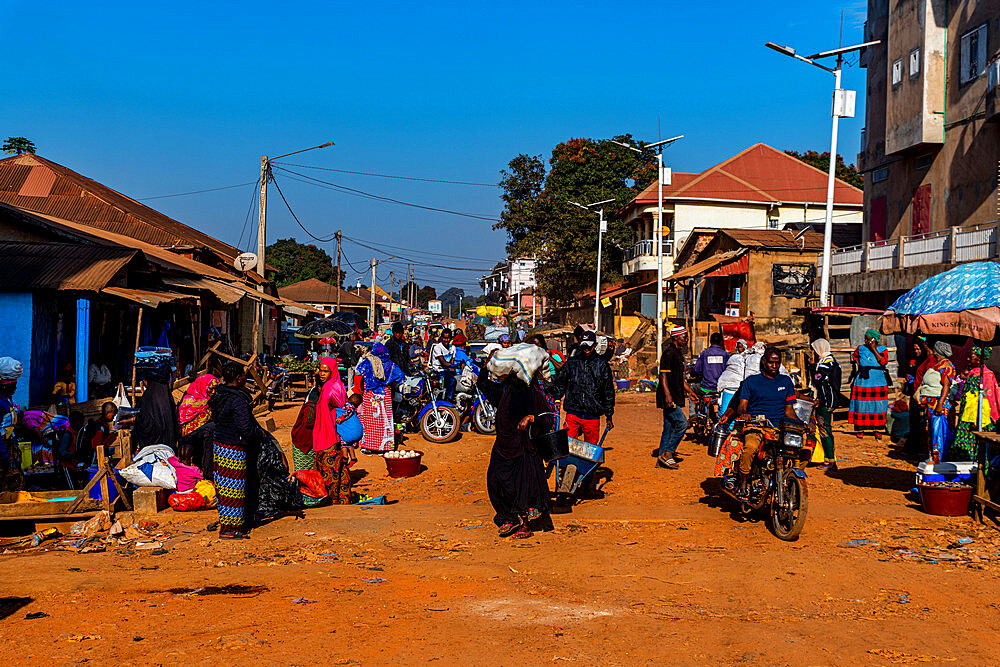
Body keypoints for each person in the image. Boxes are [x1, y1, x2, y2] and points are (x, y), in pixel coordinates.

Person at [477, 367, 554, 539]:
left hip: (524, 446)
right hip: (503, 445)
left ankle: (526, 524)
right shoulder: (504, 391)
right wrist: (488, 363)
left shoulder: (532, 393)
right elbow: (483, 383)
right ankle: (508, 517)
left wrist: (531, 418)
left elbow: (549, 418)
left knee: (521, 486)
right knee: (495, 481)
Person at [721, 347, 800, 500]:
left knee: (803, 447)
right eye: (771, 362)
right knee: (750, 448)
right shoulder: (751, 382)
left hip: (778, 427)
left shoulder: (786, 381)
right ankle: (743, 483)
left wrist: (803, 424)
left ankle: (789, 480)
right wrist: (744, 414)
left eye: (777, 363)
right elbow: (742, 406)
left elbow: (789, 411)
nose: (774, 366)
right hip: (756, 426)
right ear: (764, 362)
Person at [210, 362, 261, 539]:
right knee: (234, 488)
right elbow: (244, 427)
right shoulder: (238, 399)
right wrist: (259, 434)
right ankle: (230, 529)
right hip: (233, 447)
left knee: (223, 488)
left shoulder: (220, 394)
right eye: (243, 376)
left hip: (219, 444)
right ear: (239, 378)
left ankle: (227, 525)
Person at [549, 331, 614, 445]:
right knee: (568, 445)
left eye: (589, 346)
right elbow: (561, 382)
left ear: (595, 345)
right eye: (584, 346)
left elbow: (608, 391)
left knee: (590, 449)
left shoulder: (602, 365)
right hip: (573, 413)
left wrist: (609, 415)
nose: (587, 349)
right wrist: (558, 398)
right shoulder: (572, 363)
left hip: (592, 414)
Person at [313, 356, 353, 504]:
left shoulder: (330, 388)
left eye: (326, 371)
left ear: (333, 371)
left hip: (328, 435)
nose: (322, 374)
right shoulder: (337, 385)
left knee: (330, 473)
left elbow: (341, 406)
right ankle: (342, 501)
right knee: (340, 471)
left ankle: (331, 503)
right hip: (327, 433)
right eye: (320, 371)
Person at [655, 326, 695, 469]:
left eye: (686, 336)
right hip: (668, 397)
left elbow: (680, 378)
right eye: (684, 336)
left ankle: (661, 458)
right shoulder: (669, 353)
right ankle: (669, 453)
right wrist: (667, 395)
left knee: (669, 427)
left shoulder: (678, 353)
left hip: (674, 395)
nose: (686, 339)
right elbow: (663, 375)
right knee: (682, 423)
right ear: (675, 338)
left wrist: (690, 391)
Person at [951, 345, 999, 462]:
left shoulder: (986, 376)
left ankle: (978, 476)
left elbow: (988, 401)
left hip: (978, 420)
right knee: (962, 448)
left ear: (979, 359)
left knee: (979, 450)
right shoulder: (973, 373)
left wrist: (977, 421)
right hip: (967, 417)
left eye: (970, 357)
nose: (967, 359)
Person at [357, 344, 404, 455]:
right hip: (384, 396)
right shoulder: (390, 365)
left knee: (369, 422)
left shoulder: (368, 362)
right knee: (384, 421)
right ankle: (385, 447)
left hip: (370, 396)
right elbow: (401, 377)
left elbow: (358, 372)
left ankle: (368, 447)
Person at [131, 353, 178, 451]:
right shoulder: (167, 397)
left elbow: (148, 425)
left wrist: (134, 420)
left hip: (152, 450)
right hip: (168, 449)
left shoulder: (148, 398)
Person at [918, 341, 956, 462]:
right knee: (932, 432)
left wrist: (940, 404)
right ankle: (933, 457)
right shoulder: (939, 365)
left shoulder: (947, 367)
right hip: (931, 404)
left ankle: (938, 459)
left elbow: (946, 386)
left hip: (939, 405)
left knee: (939, 433)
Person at [848, 329, 890, 438]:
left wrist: (873, 349)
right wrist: (859, 365)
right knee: (862, 404)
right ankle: (860, 428)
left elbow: (883, 362)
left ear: (874, 339)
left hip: (878, 380)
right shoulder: (861, 348)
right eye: (865, 339)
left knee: (877, 405)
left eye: (868, 339)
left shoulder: (882, 349)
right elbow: (855, 356)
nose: (865, 341)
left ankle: (877, 429)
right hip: (863, 379)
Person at [177, 374, 220, 478]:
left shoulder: (212, 401)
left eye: (215, 389)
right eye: (210, 388)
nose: (213, 392)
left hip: (205, 441)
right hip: (190, 441)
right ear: (203, 386)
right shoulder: (189, 401)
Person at [810, 338, 842, 469]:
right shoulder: (827, 361)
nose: (814, 354)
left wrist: (811, 367)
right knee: (825, 429)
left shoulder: (826, 363)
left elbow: (818, 378)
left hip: (827, 401)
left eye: (814, 351)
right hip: (826, 400)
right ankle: (828, 459)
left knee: (825, 430)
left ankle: (830, 461)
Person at [0, 357, 23, 492]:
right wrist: (4, 455)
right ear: (3, 385)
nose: (15, 388)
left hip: (9, 446)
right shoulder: (1, 403)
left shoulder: (6, 400)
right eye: (11, 386)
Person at [430, 328, 458, 401]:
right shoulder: (437, 348)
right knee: (452, 381)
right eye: (444, 338)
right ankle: (449, 400)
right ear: (441, 338)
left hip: (448, 371)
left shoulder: (453, 347)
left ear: (451, 338)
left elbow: (452, 361)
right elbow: (443, 362)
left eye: (448, 338)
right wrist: (453, 366)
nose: (446, 340)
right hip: (439, 371)